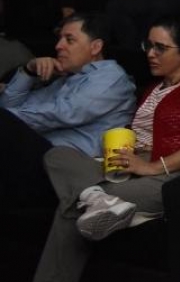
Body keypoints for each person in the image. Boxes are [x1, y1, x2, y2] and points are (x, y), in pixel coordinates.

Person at [26, 17, 180, 282]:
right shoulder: (153, 88)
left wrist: (152, 167)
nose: (151, 54)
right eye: (148, 45)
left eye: (161, 48)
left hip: (172, 174)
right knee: (57, 155)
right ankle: (94, 196)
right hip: (130, 163)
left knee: (71, 204)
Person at [0, 13, 135, 208]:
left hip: (71, 168)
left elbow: (65, 113)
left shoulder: (111, 77)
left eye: (69, 40)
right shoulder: (65, 79)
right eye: (60, 39)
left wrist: (8, 120)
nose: (58, 46)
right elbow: (8, 107)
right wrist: (28, 71)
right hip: (41, 157)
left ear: (95, 47)